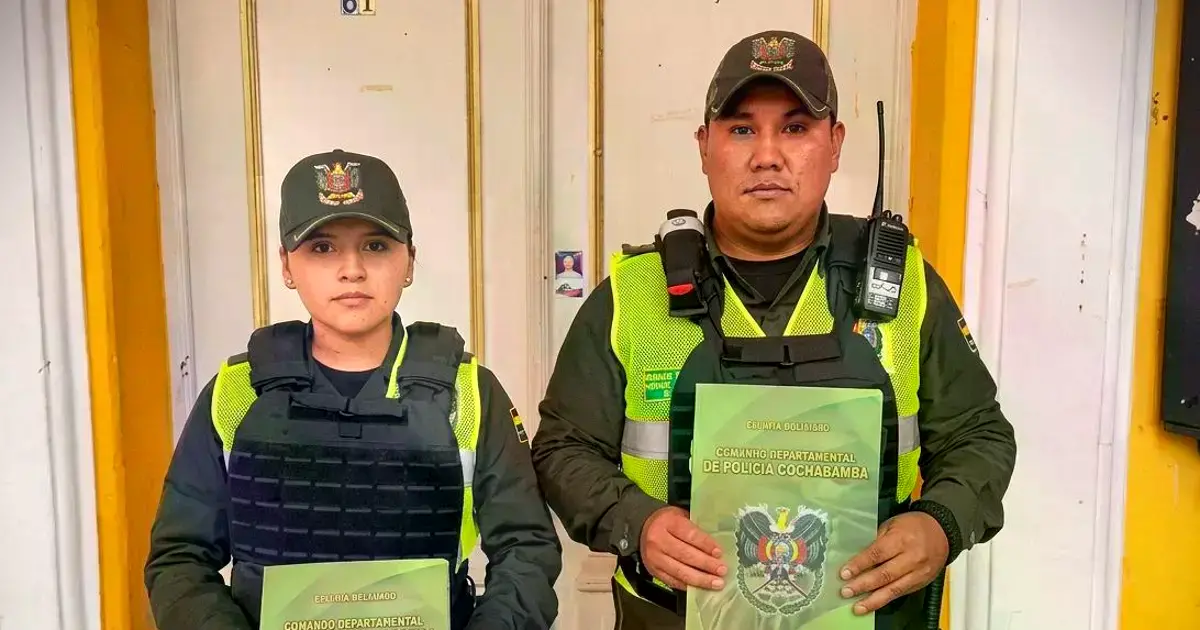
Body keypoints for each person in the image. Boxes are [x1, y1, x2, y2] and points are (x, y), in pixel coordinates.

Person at [530, 30, 1017, 630]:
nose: (767, 155)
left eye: (794, 128)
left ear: (834, 144)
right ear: (704, 146)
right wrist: (637, 521)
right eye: (740, 129)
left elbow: (979, 434)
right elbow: (561, 447)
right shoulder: (634, 294)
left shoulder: (903, 284)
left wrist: (941, 523)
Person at [145, 149, 562, 630]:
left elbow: (526, 548)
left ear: (409, 260)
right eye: (322, 247)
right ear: (285, 264)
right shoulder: (238, 394)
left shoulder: (468, 392)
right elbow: (179, 558)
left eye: (376, 246)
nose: (352, 270)